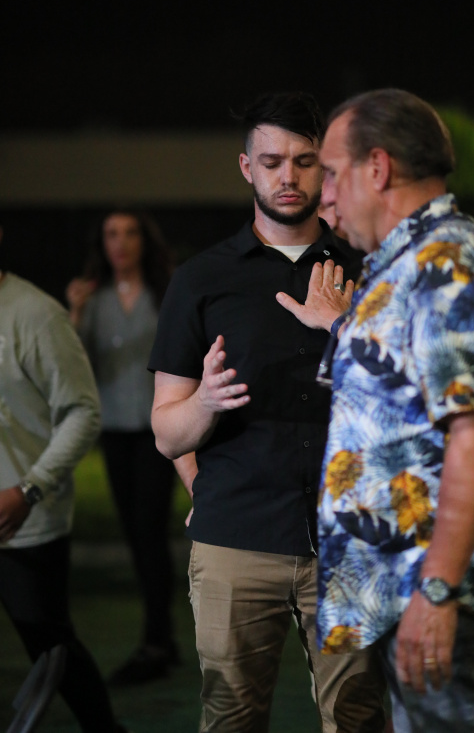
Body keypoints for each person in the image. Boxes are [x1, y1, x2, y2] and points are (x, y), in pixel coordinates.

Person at [277, 89, 474, 732]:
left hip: (454, 605)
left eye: (332, 173)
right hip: (424, 600)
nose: (323, 196)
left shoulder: (447, 261)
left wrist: (436, 590)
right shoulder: (413, 262)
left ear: (378, 168)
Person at [149, 92, 387, 732]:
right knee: (231, 717)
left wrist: (349, 331)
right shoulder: (200, 280)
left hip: (351, 535)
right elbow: (167, 433)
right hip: (237, 536)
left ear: (324, 168)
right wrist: (205, 403)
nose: (289, 176)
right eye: (272, 161)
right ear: (246, 167)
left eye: (304, 162)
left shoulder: (370, 271)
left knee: (359, 718)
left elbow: (410, 402)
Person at [0, 224, 128, 733]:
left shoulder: (35, 314)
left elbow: (82, 411)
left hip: (21, 521)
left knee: (51, 647)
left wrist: (29, 489)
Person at [66, 209, 178, 685]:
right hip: (114, 430)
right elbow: (75, 366)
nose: (121, 242)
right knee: (136, 533)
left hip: (157, 430)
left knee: (150, 531)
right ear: (103, 242)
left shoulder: (164, 293)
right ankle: (163, 637)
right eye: (112, 233)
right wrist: (74, 313)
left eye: (130, 232)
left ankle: (156, 642)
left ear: (143, 241)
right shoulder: (94, 300)